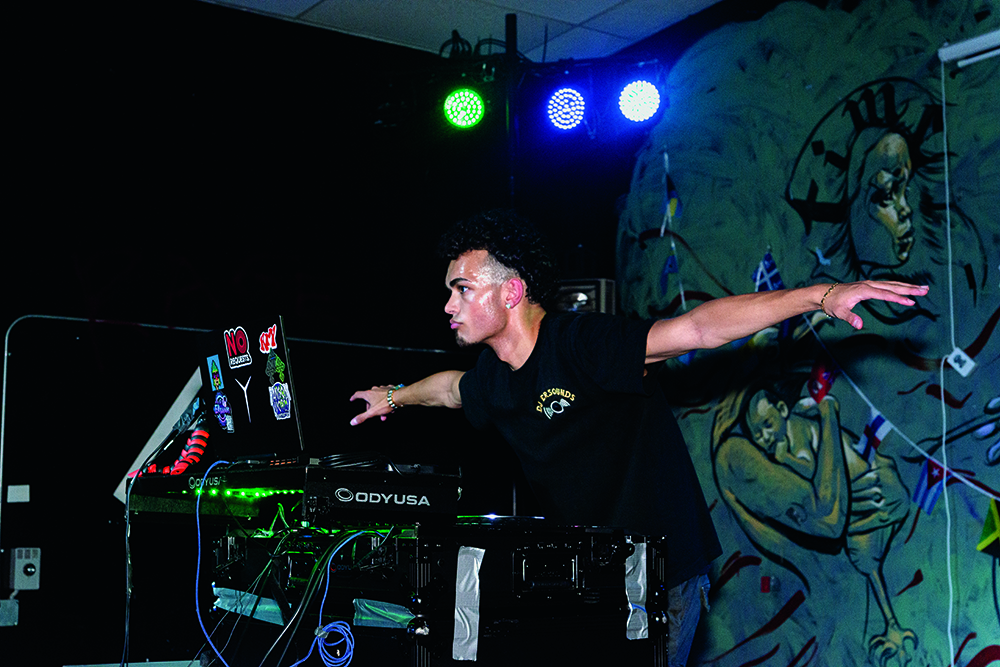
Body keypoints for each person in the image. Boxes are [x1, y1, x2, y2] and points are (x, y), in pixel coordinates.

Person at [349, 210, 929, 666]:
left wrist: (819, 296)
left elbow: (698, 328)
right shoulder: (494, 378)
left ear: (511, 292)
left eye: (461, 289)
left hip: (659, 572)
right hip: (585, 574)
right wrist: (395, 397)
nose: (448, 305)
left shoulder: (584, 343)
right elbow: (451, 390)